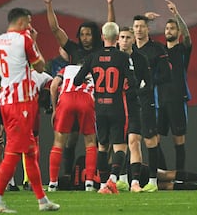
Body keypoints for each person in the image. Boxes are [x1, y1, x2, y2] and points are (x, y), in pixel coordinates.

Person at [0, 7, 59, 212]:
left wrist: (6, 84)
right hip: (21, 103)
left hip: (6, 100)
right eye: (28, 22)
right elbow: (41, 66)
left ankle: (42, 201)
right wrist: (33, 40)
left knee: (30, 151)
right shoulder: (24, 39)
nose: (30, 26)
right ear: (20, 22)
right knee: (14, 151)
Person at [43, 0, 106, 178]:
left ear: (95, 35)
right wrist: (48, 5)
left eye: (88, 34)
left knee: (95, 141)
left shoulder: (101, 50)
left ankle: (95, 177)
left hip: (92, 101)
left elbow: (111, 28)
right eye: (83, 34)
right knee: (70, 141)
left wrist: (110, 6)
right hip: (73, 98)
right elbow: (55, 30)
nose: (85, 37)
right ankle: (68, 175)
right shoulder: (73, 49)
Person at [73, 22, 137, 194]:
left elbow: (76, 81)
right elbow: (133, 83)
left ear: (102, 37)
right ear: (117, 38)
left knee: (102, 146)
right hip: (117, 106)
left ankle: (102, 185)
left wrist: (91, 78)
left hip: (99, 108)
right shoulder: (123, 57)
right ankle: (112, 180)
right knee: (120, 147)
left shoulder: (92, 57)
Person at [132, 15, 172, 192]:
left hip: (152, 101)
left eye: (142, 26)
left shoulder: (157, 49)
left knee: (152, 140)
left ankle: (156, 178)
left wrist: (147, 82)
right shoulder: (129, 50)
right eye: (136, 26)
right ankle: (130, 180)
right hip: (132, 102)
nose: (139, 29)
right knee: (132, 140)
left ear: (148, 29)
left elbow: (166, 75)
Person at [48, 64, 97, 192]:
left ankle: (52, 183)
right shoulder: (95, 69)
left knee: (58, 143)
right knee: (91, 142)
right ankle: (89, 183)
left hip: (66, 98)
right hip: (86, 99)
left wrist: (54, 109)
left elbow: (53, 86)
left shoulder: (67, 68)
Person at [157, 0, 192, 171]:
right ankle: (162, 172)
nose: (169, 31)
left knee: (178, 142)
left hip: (177, 100)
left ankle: (180, 175)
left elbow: (188, 36)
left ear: (178, 32)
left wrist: (176, 15)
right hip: (159, 101)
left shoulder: (182, 50)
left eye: (172, 28)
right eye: (167, 28)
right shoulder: (159, 51)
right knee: (153, 140)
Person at [116, 26, 152, 192]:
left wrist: (135, 92)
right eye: (122, 37)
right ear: (117, 39)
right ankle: (121, 180)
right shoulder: (112, 58)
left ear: (133, 40)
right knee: (118, 144)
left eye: (127, 37)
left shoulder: (141, 59)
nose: (124, 40)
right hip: (115, 106)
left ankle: (135, 182)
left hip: (134, 105)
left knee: (134, 142)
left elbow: (149, 84)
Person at [70, 154, 197, 191]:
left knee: (164, 185)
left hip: (124, 180)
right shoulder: (83, 159)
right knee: (164, 175)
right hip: (130, 170)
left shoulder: (77, 183)